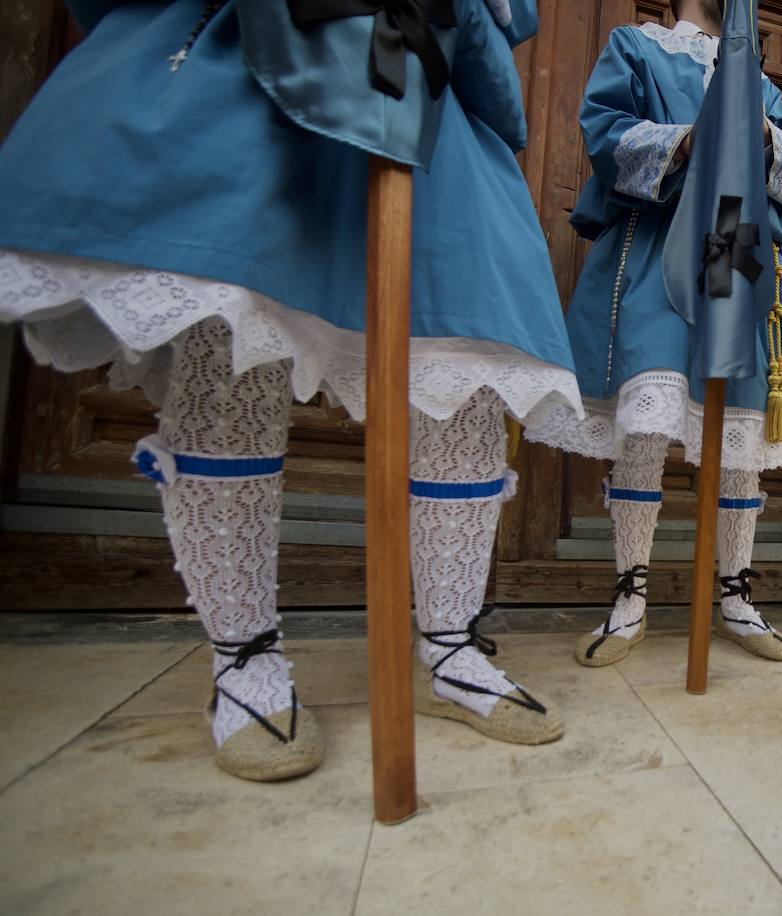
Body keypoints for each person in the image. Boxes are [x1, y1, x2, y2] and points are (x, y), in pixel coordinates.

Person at [0, 0, 581, 779]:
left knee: (465, 368)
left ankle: (450, 644)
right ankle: (244, 658)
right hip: (258, 56)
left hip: (418, 85)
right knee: (234, 334)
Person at [525, 0, 782, 668]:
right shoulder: (636, 47)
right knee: (647, 416)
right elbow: (605, 131)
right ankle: (631, 593)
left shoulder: (756, 74)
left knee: (739, 419)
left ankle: (733, 593)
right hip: (657, 250)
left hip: (738, 252)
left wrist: (765, 136)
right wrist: (686, 139)